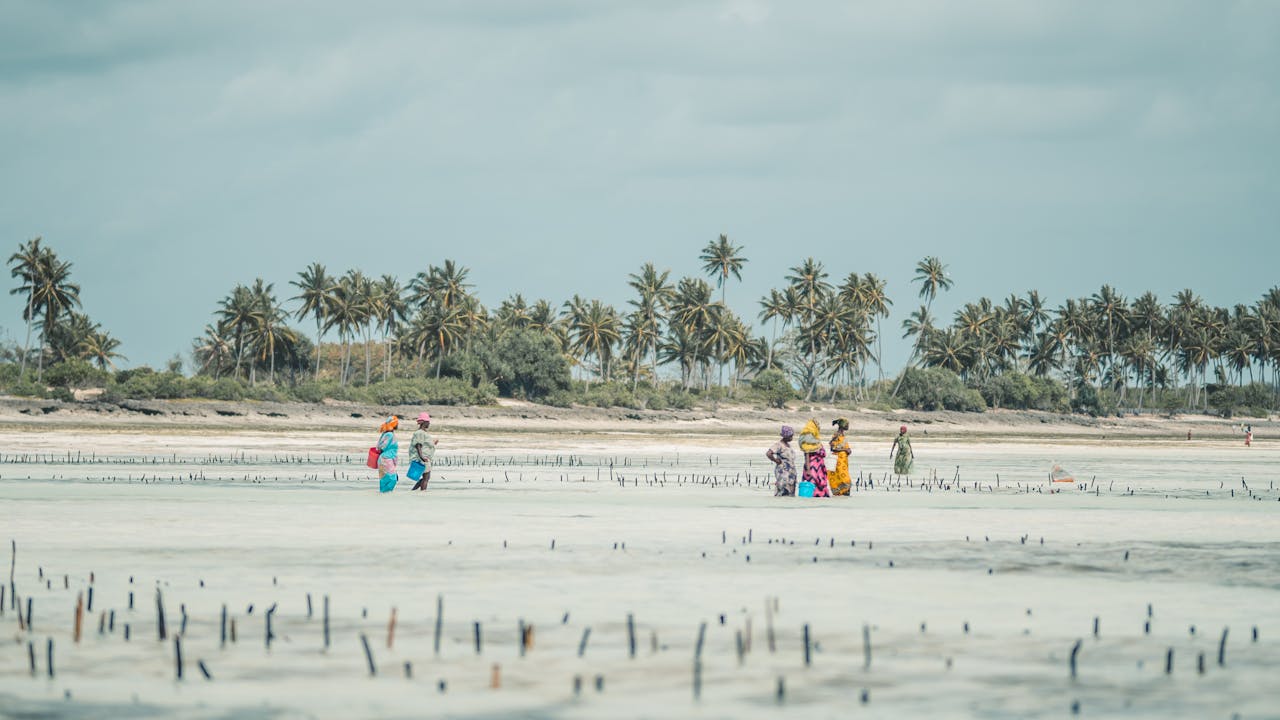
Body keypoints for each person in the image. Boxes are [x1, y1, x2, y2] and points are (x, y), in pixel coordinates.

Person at [798, 419, 830, 497]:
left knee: (820, 486)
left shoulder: (815, 441)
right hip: (812, 468)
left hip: (820, 469)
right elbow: (807, 455)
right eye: (817, 425)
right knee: (812, 486)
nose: (818, 427)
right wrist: (808, 470)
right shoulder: (808, 441)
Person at [409, 412, 438, 491]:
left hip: (424, 458)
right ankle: (423, 493)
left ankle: (413, 491)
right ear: (424, 422)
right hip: (422, 459)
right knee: (426, 477)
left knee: (426, 477)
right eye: (428, 421)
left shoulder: (423, 433)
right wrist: (422, 457)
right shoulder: (420, 433)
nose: (429, 423)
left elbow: (424, 444)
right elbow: (418, 445)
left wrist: (433, 443)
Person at [766, 425, 798, 496]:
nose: (792, 438)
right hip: (783, 472)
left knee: (791, 493)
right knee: (782, 491)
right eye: (790, 436)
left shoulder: (789, 446)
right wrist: (775, 460)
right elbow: (769, 453)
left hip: (791, 473)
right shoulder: (778, 445)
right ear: (785, 436)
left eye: (792, 436)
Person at [375, 415, 400, 493]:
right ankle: (386, 495)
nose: (398, 425)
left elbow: (379, 447)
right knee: (392, 479)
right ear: (393, 424)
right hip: (386, 459)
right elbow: (382, 447)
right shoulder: (389, 435)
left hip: (385, 459)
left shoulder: (386, 434)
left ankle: (383, 496)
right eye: (397, 423)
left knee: (384, 479)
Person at [829, 418, 852, 496]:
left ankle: (842, 496)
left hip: (843, 462)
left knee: (845, 481)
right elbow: (833, 448)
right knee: (845, 480)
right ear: (843, 425)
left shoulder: (842, 435)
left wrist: (848, 451)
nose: (848, 426)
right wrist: (845, 449)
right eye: (847, 424)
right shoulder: (836, 435)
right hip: (838, 463)